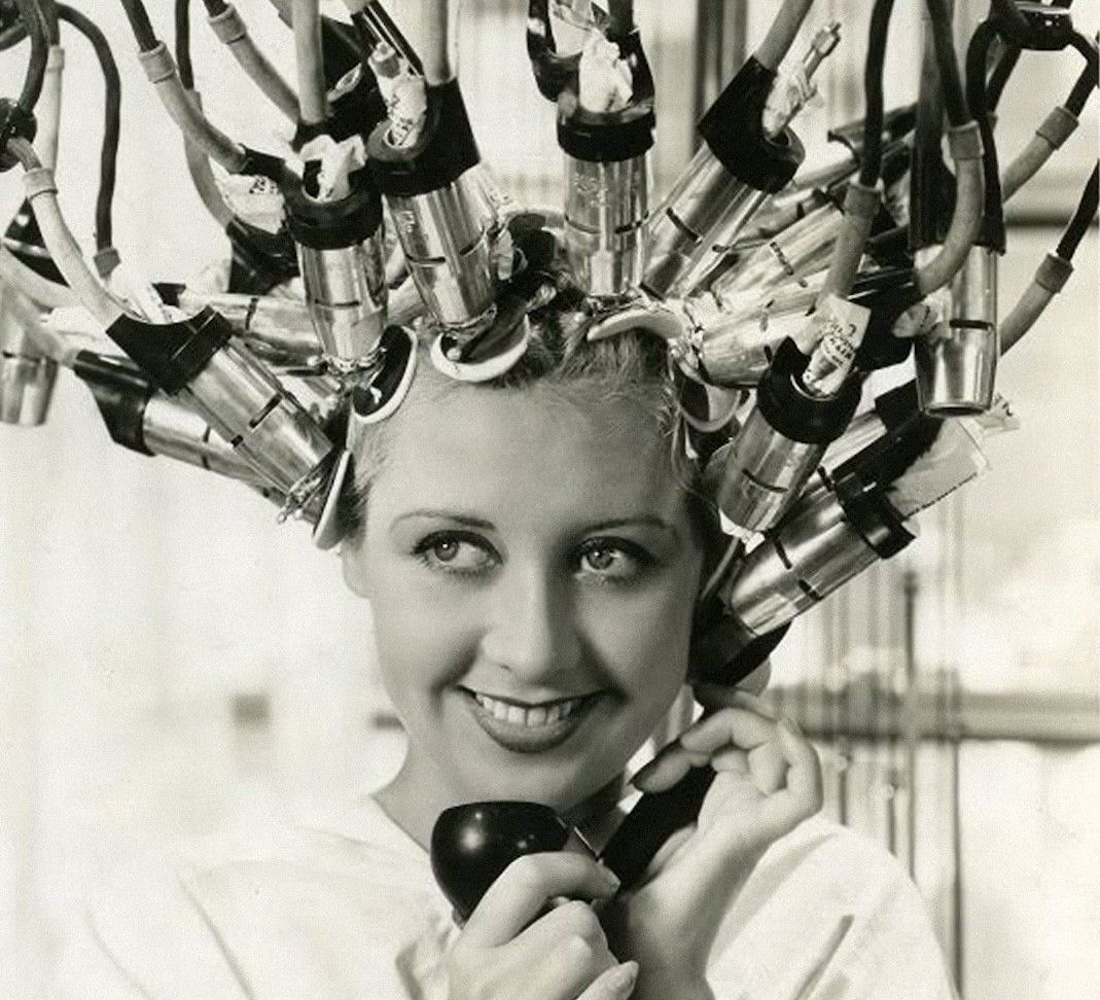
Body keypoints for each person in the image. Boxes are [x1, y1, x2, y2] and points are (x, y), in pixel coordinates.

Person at [47, 306, 956, 1000]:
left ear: (707, 572)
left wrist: (670, 982)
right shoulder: (183, 937)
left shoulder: (831, 916)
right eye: (451, 548)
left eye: (609, 558)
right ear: (352, 544)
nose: (533, 649)